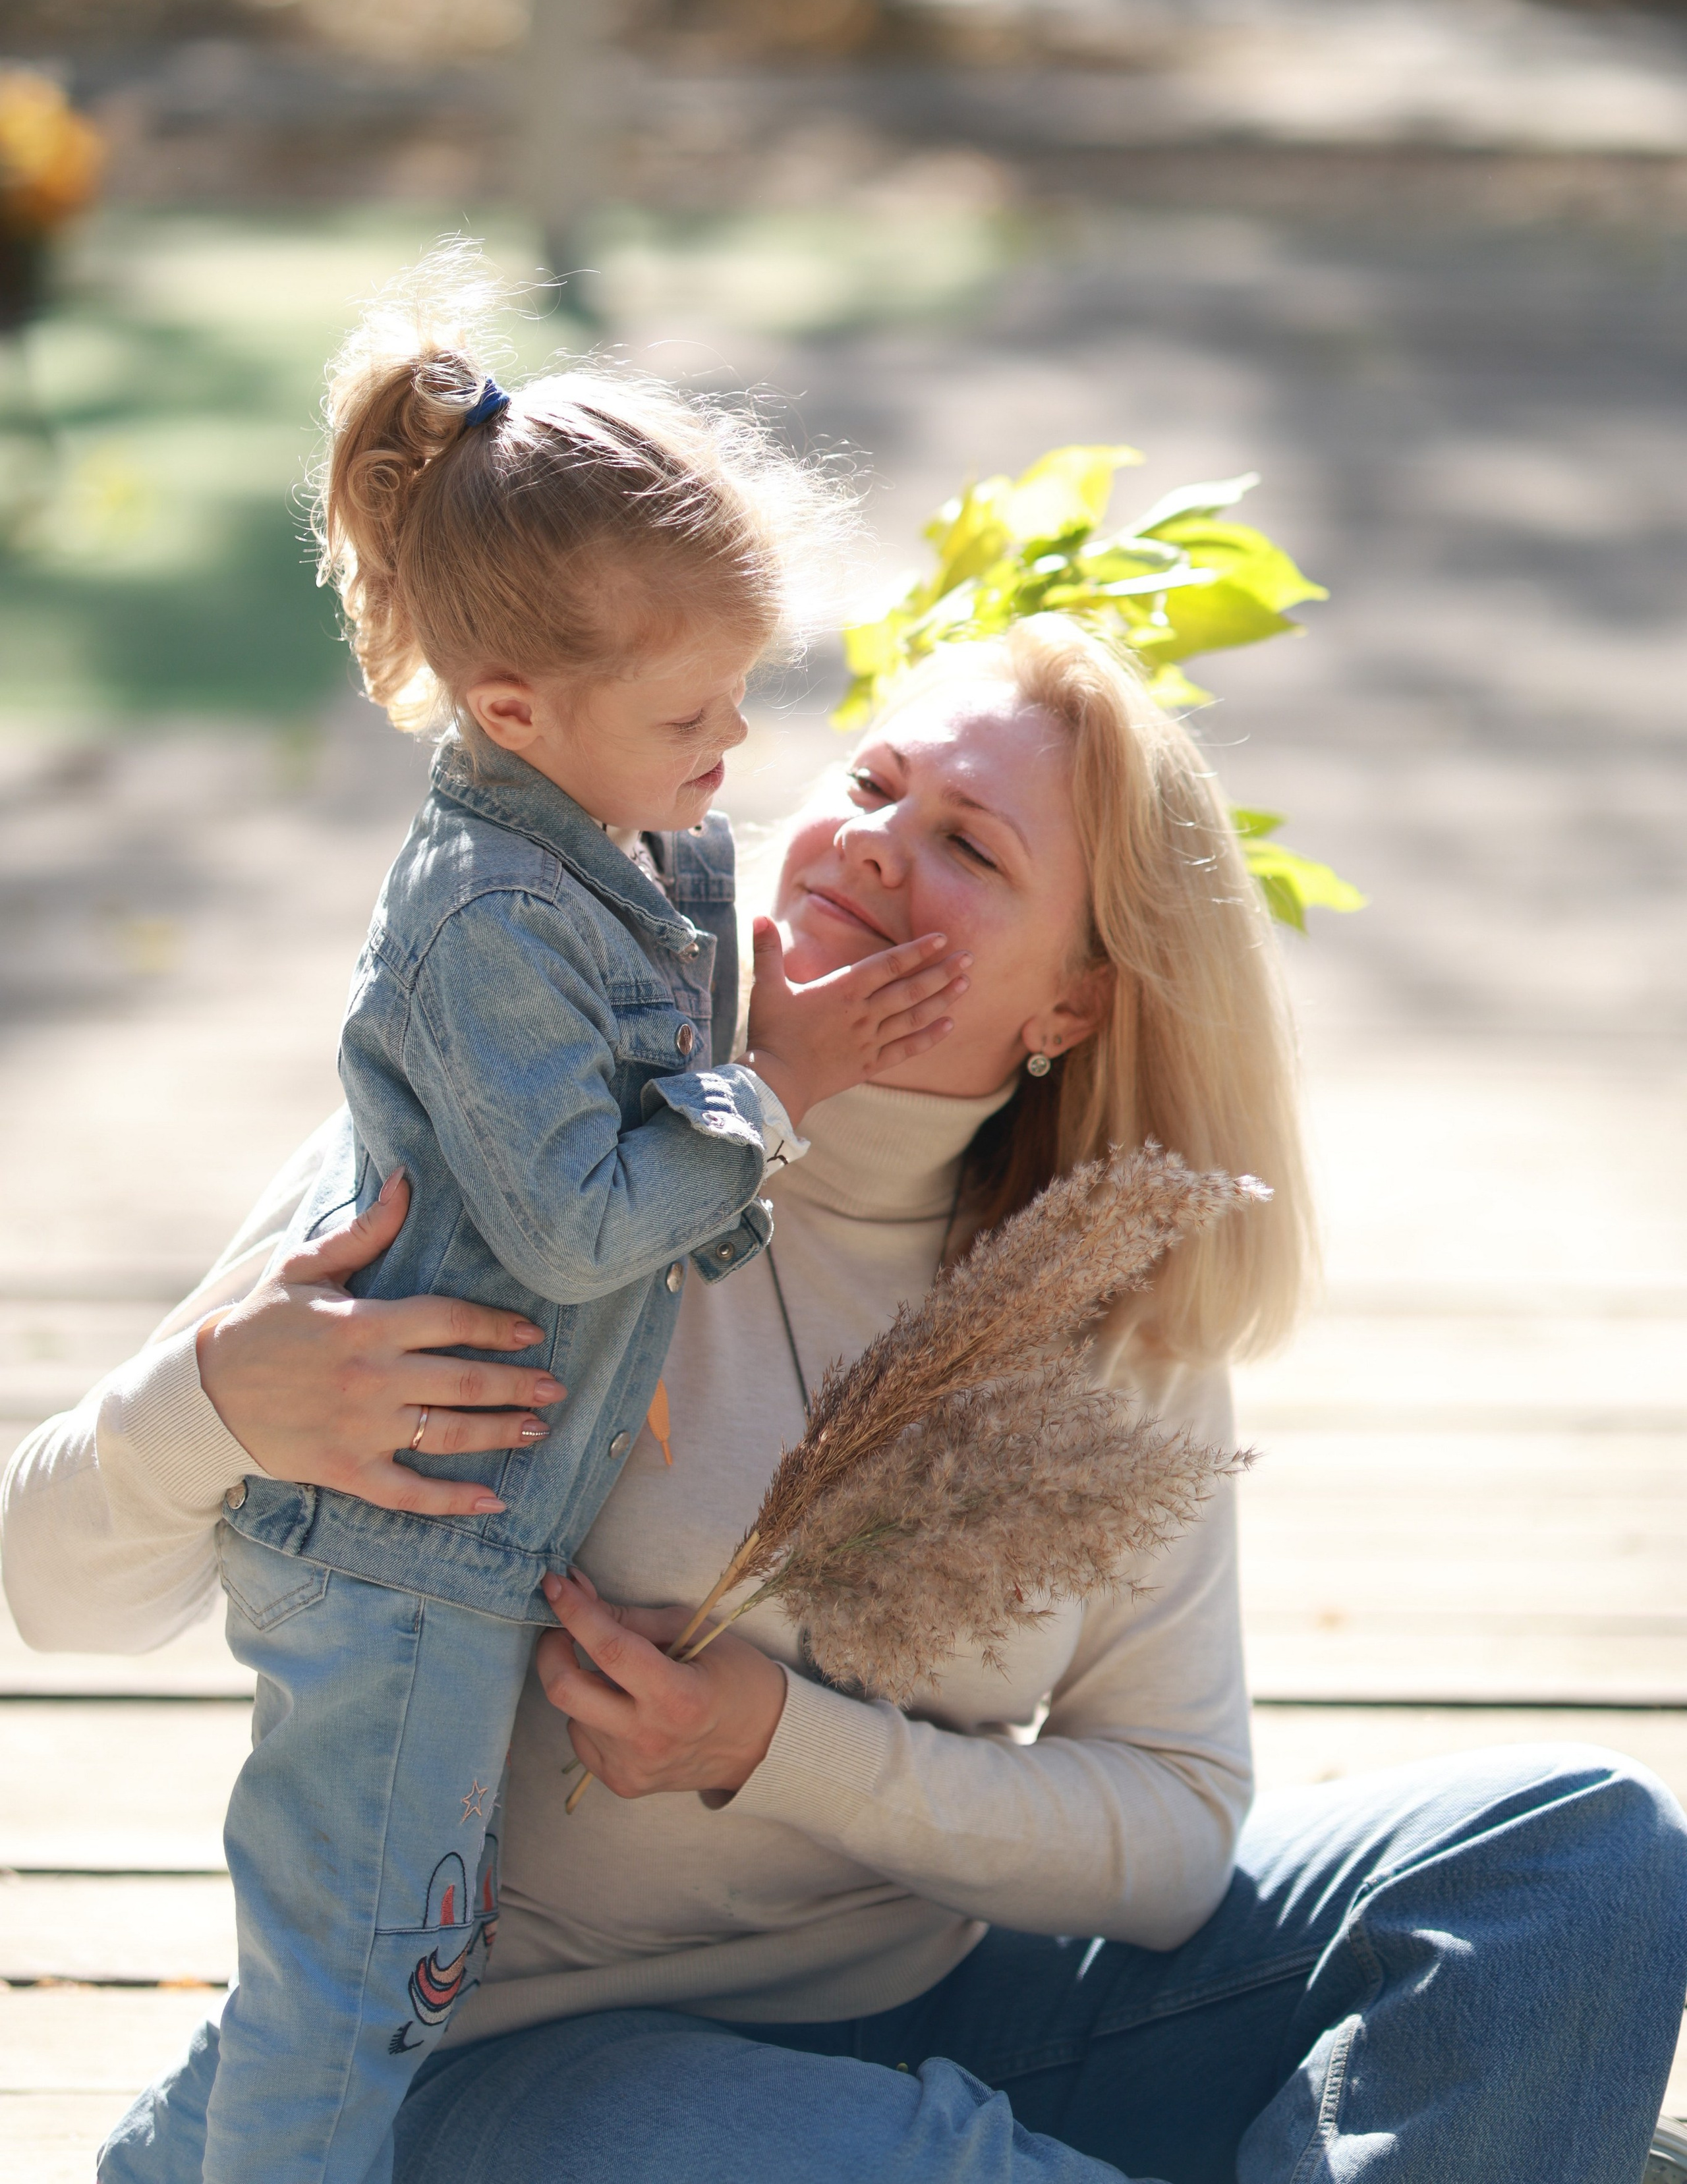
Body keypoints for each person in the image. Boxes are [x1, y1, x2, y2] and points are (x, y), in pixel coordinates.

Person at [6, 620, 1685, 2184]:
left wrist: (774, 1747)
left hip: (962, 2014)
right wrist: (215, 1399)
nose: (880, 841)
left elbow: (1172, 1829)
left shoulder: (1089, 1288)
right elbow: (55, 1588)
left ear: (1071, 1003)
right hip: (502, 2077)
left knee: (1578, 1850)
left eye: (971, 846)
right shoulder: (536, 1161)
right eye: (871, 783)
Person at [78, 253, 971, 2184]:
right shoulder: (486, 917)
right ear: (511, 704)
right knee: (355, 1989)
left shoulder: (611, 844)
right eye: (692, 716)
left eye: (742, 696)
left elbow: (671, 983)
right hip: (400, 1559)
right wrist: (779, 1097)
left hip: (469, 1542)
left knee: (379, 1971)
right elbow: (579, 1225)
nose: (733, 747)